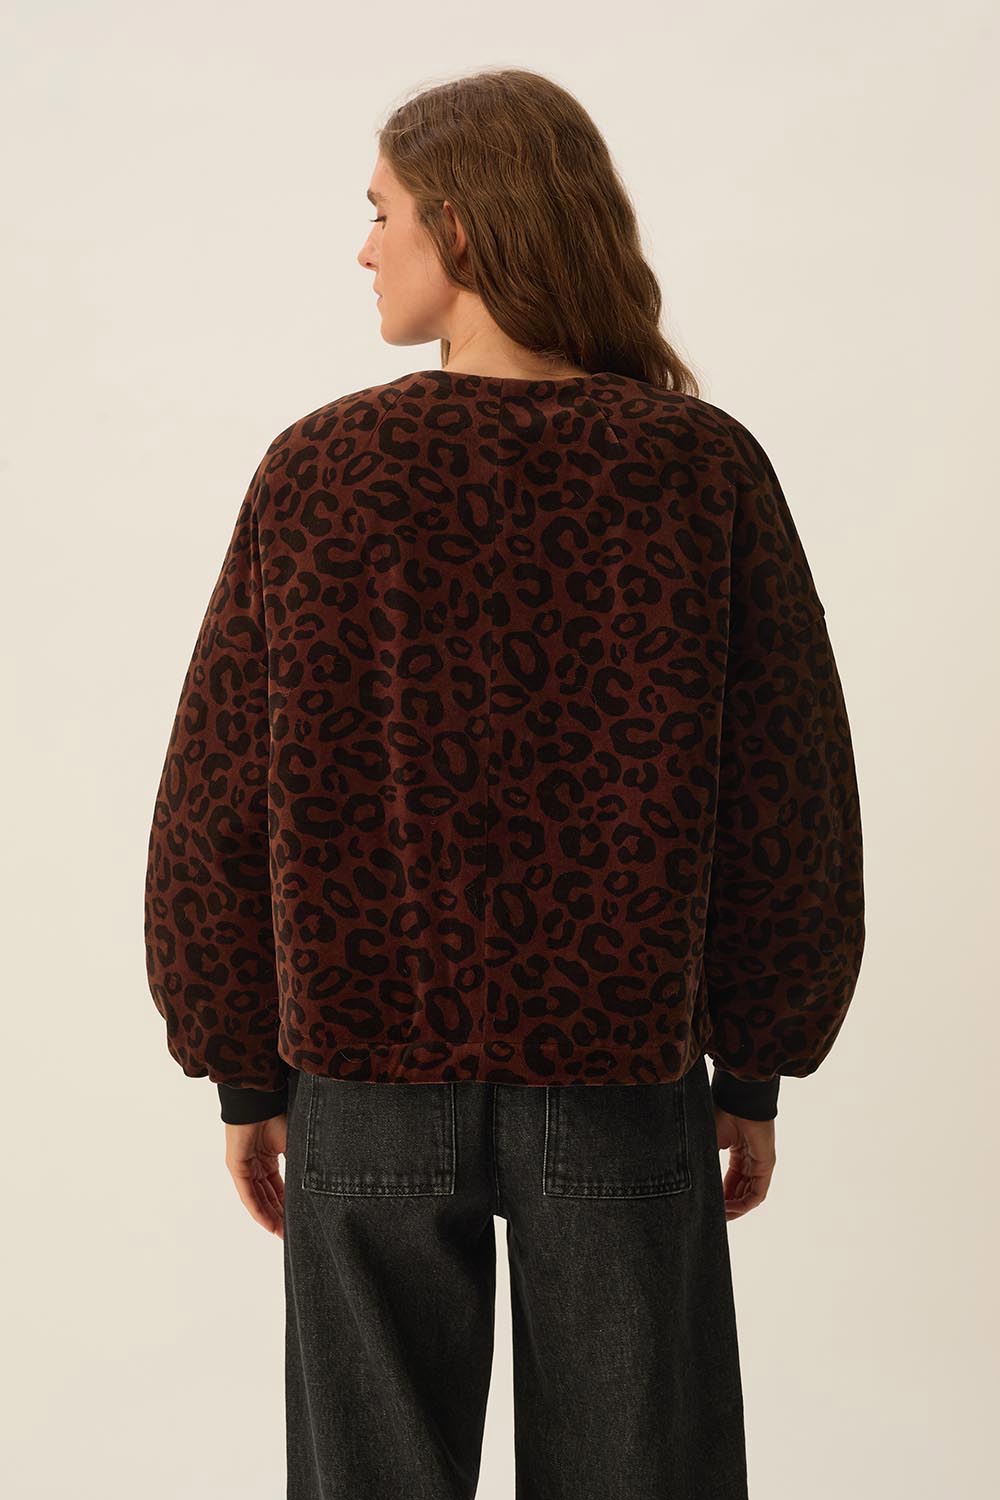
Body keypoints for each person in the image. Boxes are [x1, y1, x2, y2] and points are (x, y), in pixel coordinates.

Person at [143, 66, 865, 1500]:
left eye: (383, 212)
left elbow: (217, 796)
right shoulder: (702, 472)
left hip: (365, 1074)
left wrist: (242, 1065)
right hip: (620, 1079)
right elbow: (789, 799)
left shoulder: (322, 473)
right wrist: (755, 1059)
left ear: (462, 228)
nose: (364, 248)